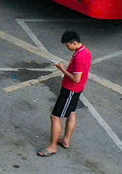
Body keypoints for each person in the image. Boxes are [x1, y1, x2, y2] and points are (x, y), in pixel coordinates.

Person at [39, 29, 92, 157]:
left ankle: (52, 147)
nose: (67, 47)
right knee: (71, 112)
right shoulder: (86, 51)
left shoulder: (79, 57)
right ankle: (66, 140)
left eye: (68, 45)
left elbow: (76, 78)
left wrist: (62, 69)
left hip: (70, 89)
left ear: (74, 42)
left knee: (55, 116)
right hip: (78, 89)